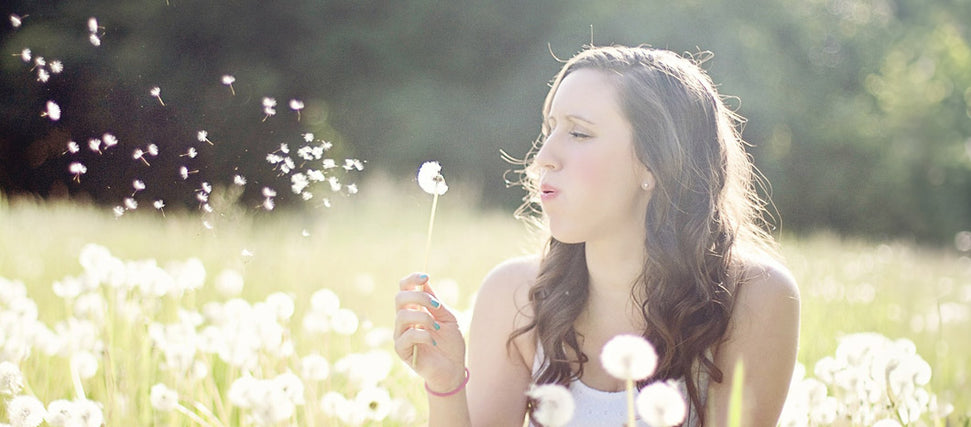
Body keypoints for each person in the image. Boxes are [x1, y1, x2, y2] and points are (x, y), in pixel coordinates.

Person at [393, 45, 800, 426]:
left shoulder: (752, 297)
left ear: (655, 163)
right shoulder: (514, 296)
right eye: (550, 128)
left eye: (579, 133)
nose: (543, 158)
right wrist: (446, 382)